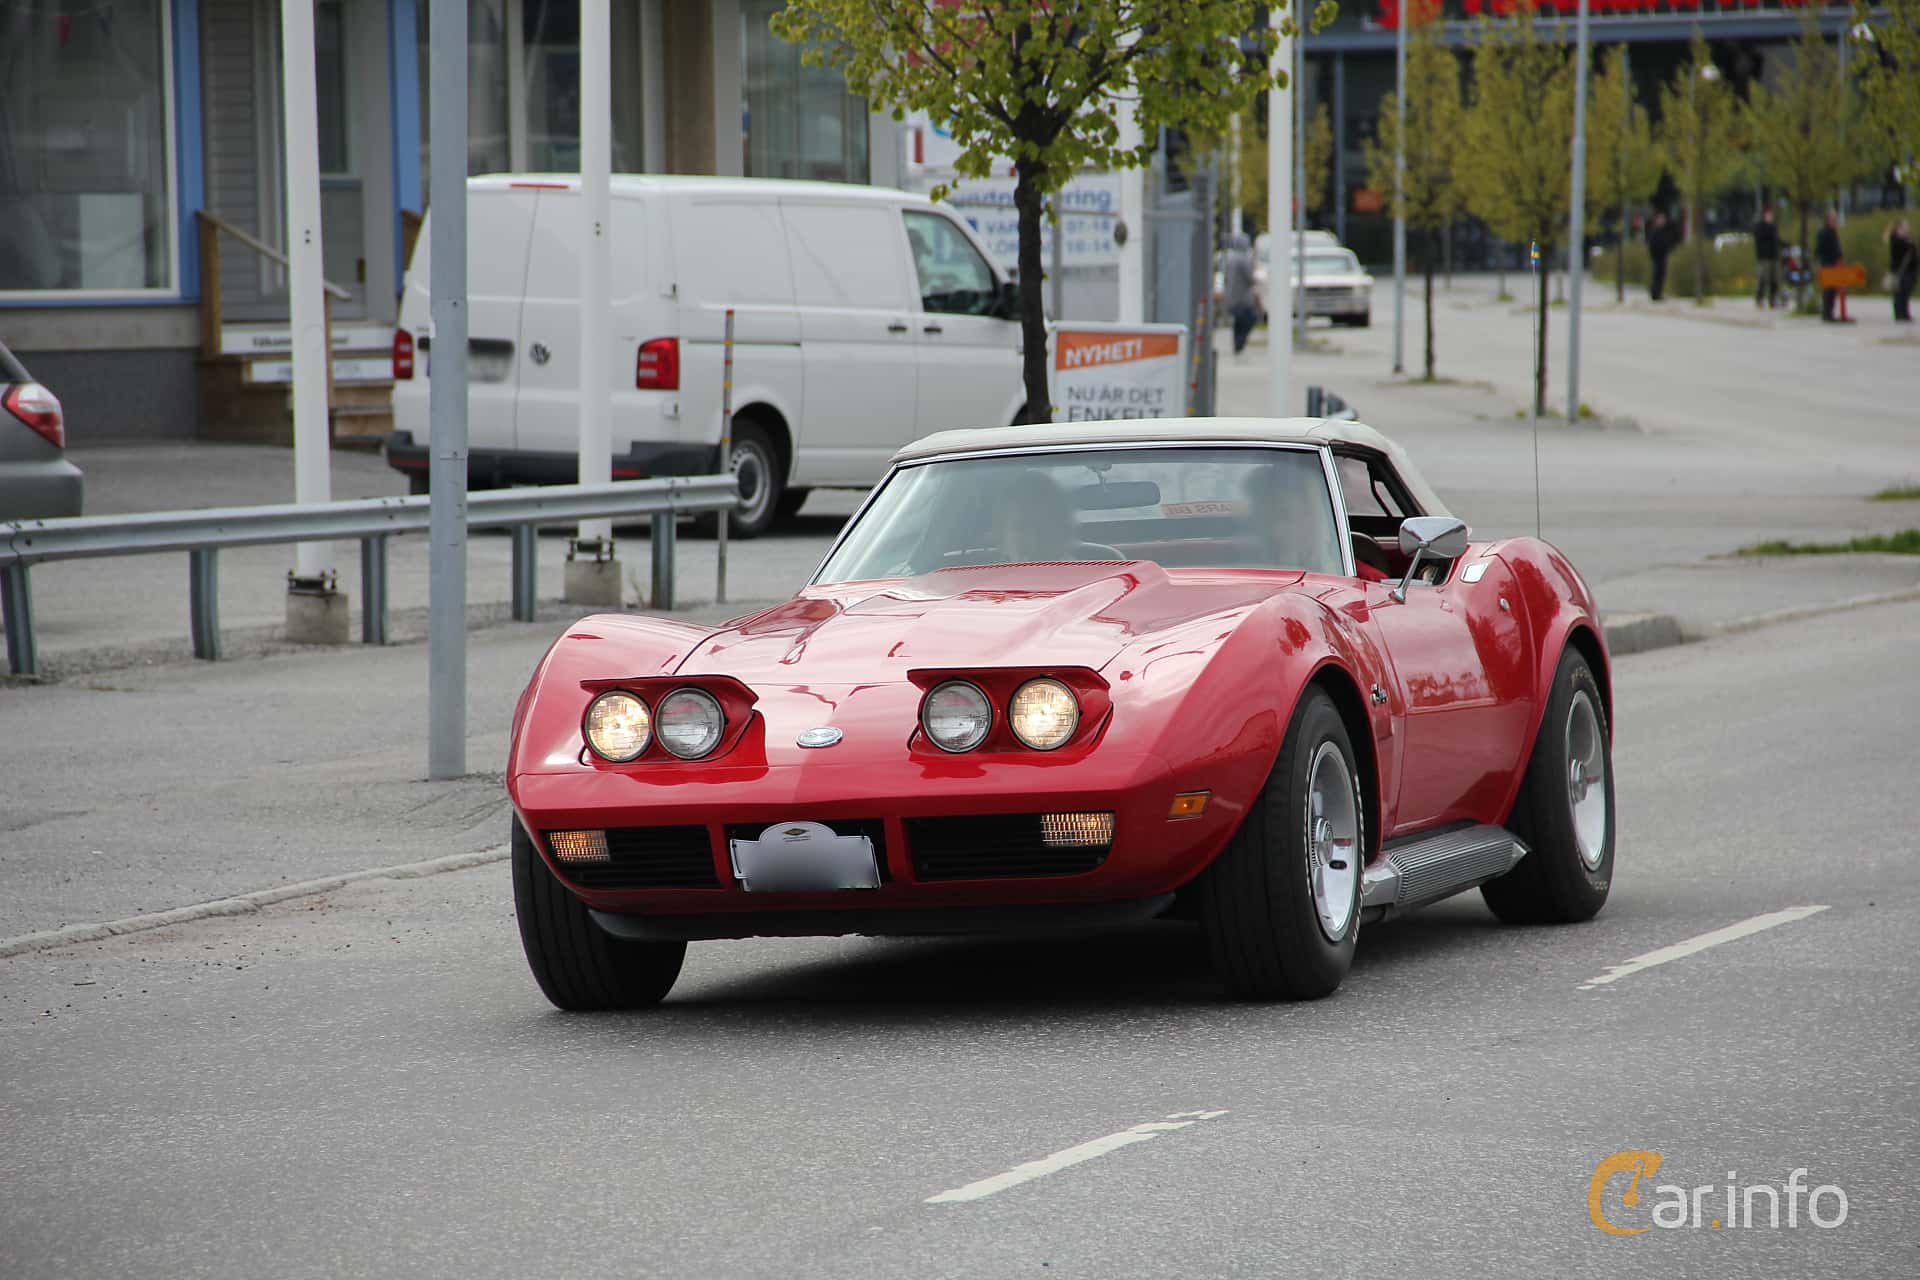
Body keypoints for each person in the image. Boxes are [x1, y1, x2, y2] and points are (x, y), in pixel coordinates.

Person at [1223, 232, 1259, 357]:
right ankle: (1239, 346)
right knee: (1249, 320)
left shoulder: (1229, 258)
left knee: (1238, 322)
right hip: (1243, 298)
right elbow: (1250, 279)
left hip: (1230, 297)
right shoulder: (1243, 259)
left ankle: (1237, 346)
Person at [1816, 209, 1845, 322]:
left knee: (1833, 290)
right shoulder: (1824, 232)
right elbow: (1822, 249)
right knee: (1828, 290)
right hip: (1827, 264)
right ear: (1828, 220)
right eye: (1834, 219)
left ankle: (1830, 313)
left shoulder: (1833, 232)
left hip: (1834, 264)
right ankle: (1827, 313)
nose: (1836, 221)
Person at [1887, 219, 1916, 324]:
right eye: (1904, 228)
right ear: (1899, 229)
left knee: (1906, 294)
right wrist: (1907, 242)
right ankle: (1899, 313)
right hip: (1899, 271)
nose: (1907, 230)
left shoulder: (1907, 240)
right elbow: (1899, 252)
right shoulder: (1896, 240)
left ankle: (1905, 313)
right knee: (1899, 293)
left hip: (1909, 271)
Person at [1754, 205, 1781, 309]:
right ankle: (1759, 298)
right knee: (1763, 278)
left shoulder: (1772, 227)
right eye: (1769, 215)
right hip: (1764, 257)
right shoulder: (1760, 227)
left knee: (1774, 279)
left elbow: (1776, 240)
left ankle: (1772, 299)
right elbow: (1760, 240)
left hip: (1773, 256)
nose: (1770, 217)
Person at [1647, 212, 1674, 302]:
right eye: (1660, 219)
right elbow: (1652, 245)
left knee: (1661, 276)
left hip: (1662, 257)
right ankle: (1655, 294)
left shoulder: (1664, 231)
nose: (1662, 221)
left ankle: (1658, 293)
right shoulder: (1655, 231)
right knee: (1656, 276)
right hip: (1657, 258)